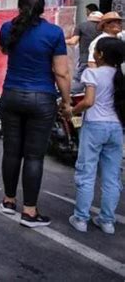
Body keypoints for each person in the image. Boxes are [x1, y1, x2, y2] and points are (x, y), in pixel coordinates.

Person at [0, 0, 71, 228]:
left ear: (19, 7)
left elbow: (6, 52)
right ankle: (30, 212)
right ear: (43, 9)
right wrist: (67, 102)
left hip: (10, 95)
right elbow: (61, 72)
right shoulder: (54, 32)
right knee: (33, 156)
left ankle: (9, 201)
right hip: (41, 99)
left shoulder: (8, 28)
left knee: (11, 152)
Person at [69, 37, 125, 235]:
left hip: (94, 126)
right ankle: (107, 221)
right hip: (117, 128)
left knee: (87, 172)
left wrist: (72, 110)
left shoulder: (91, 73)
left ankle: (81, 218)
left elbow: (89, 101)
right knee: (112, 177)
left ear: (100, 54)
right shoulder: (120, 76)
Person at [66, 8, 102, 92]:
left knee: (79, 82)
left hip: (85, 59)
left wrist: (59, 40)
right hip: (101, 61)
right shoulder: (103, 28)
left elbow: (73, 41)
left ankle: (70, 101)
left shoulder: (81, 26)